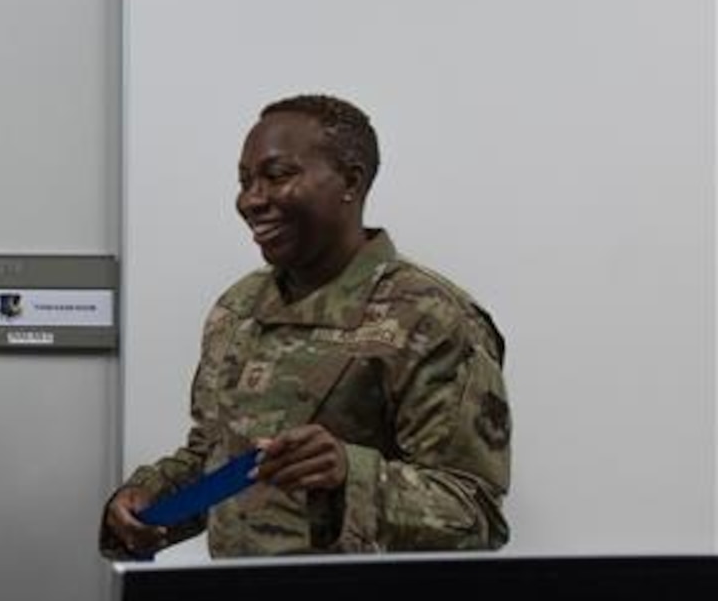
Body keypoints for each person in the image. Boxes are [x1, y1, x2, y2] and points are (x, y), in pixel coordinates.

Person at [101, 93, 511, 560]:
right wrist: (151, 499)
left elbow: (475, 514)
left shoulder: (432, 317)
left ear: (350, 182)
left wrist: (347, 474)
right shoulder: (238, 310)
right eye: (244, 180)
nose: (251, 200)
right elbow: (218, 458)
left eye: (277, 176)